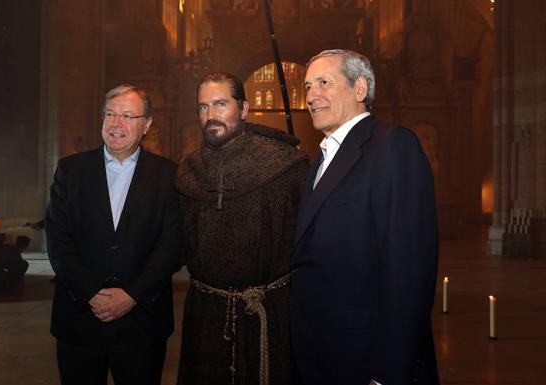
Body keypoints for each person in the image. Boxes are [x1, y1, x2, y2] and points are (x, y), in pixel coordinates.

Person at [290, 49, 440, 385]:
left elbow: (409, 272)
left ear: (360, 90)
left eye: (324, 83)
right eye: (307, 86)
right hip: (320, 352)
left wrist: (388, 371)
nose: (312, 95)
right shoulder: (322, 157)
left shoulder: (392, 147)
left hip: (365, 358)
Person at [176, 72, 309, 385]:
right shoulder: (189, 170)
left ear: (245, 109)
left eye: (220, 104)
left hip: (267, 313)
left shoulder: (285, 165)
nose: (210, 115)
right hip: (205, 313)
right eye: (203, 107)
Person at [45, 85, 182, 385]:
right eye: (110, 114)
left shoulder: (169, 175)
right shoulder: (70, 171)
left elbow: (171, 246)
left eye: (127, 115)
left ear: (146, 124)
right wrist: (90, 293)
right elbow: (58, 240)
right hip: (80, 320)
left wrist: (133, 295)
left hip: (142, 324)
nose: (116, 123)